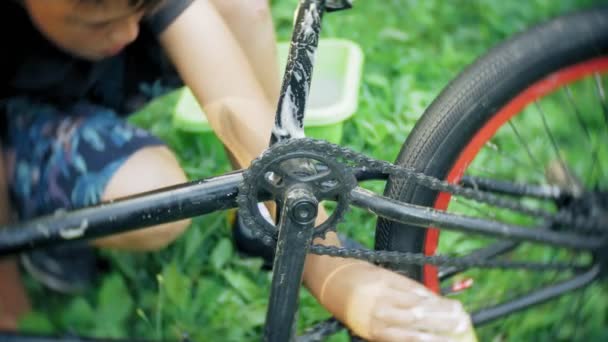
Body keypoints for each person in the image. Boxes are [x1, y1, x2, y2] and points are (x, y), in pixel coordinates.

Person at [0, 1, 475, 341]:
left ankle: (262, 221)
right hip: (20, 111)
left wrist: (333, 272)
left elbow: (246, 127)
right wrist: (11, 317)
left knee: (236, 7)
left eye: (139, 9)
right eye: (97, 14)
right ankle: (43, 231)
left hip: (76, 70)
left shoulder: (124, 19)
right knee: (148, 195)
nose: (126, 33)